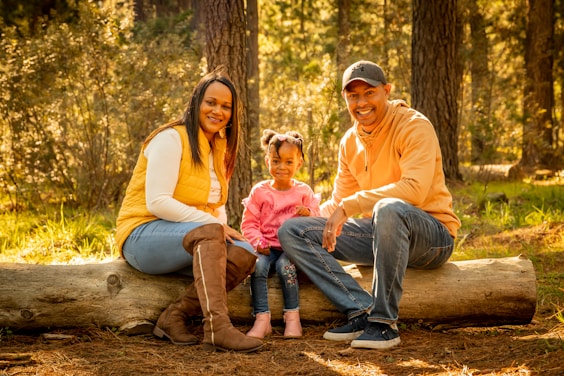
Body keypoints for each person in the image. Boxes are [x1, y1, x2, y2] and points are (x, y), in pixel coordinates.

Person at [278, 60, 461, 350]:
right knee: (292, 231)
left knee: (388, 208)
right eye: (353, 96)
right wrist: (306, 214)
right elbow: (339, 202)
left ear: (386, 91)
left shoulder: (414, 125)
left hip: (432, 237)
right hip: (381, 235)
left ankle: (384, 324)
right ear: (345, 99)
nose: (361, 102)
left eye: (369, 93)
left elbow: (414, 190)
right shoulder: (350, 141)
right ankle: (360, 309)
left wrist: (349, 206)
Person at [115, 67, 263, 353]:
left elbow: (215, 207)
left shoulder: (218, 147)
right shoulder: (170, 139)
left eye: (225, 106)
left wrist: (223, 231)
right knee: (211, 232)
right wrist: (215, 228)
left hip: (188, 238)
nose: (217, 110)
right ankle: (218, 328)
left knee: (245, 252)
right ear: (197, 102)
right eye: (211, 102)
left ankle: (175, 315)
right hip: (141, 236)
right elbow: (157, 201)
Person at [241, 130, 321, 339]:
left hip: (291, 249)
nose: (282, 167)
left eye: (288, 162)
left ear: (299, 163)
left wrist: (309, 213)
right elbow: (249, 224)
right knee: (257, 266)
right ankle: (262, 319)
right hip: (266, 247)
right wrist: (258, 242)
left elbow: (317, 223)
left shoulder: (304, 192)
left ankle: (292, 318)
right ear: (268, 162)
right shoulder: (260, 192)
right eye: (276, 161)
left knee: (286, 268)